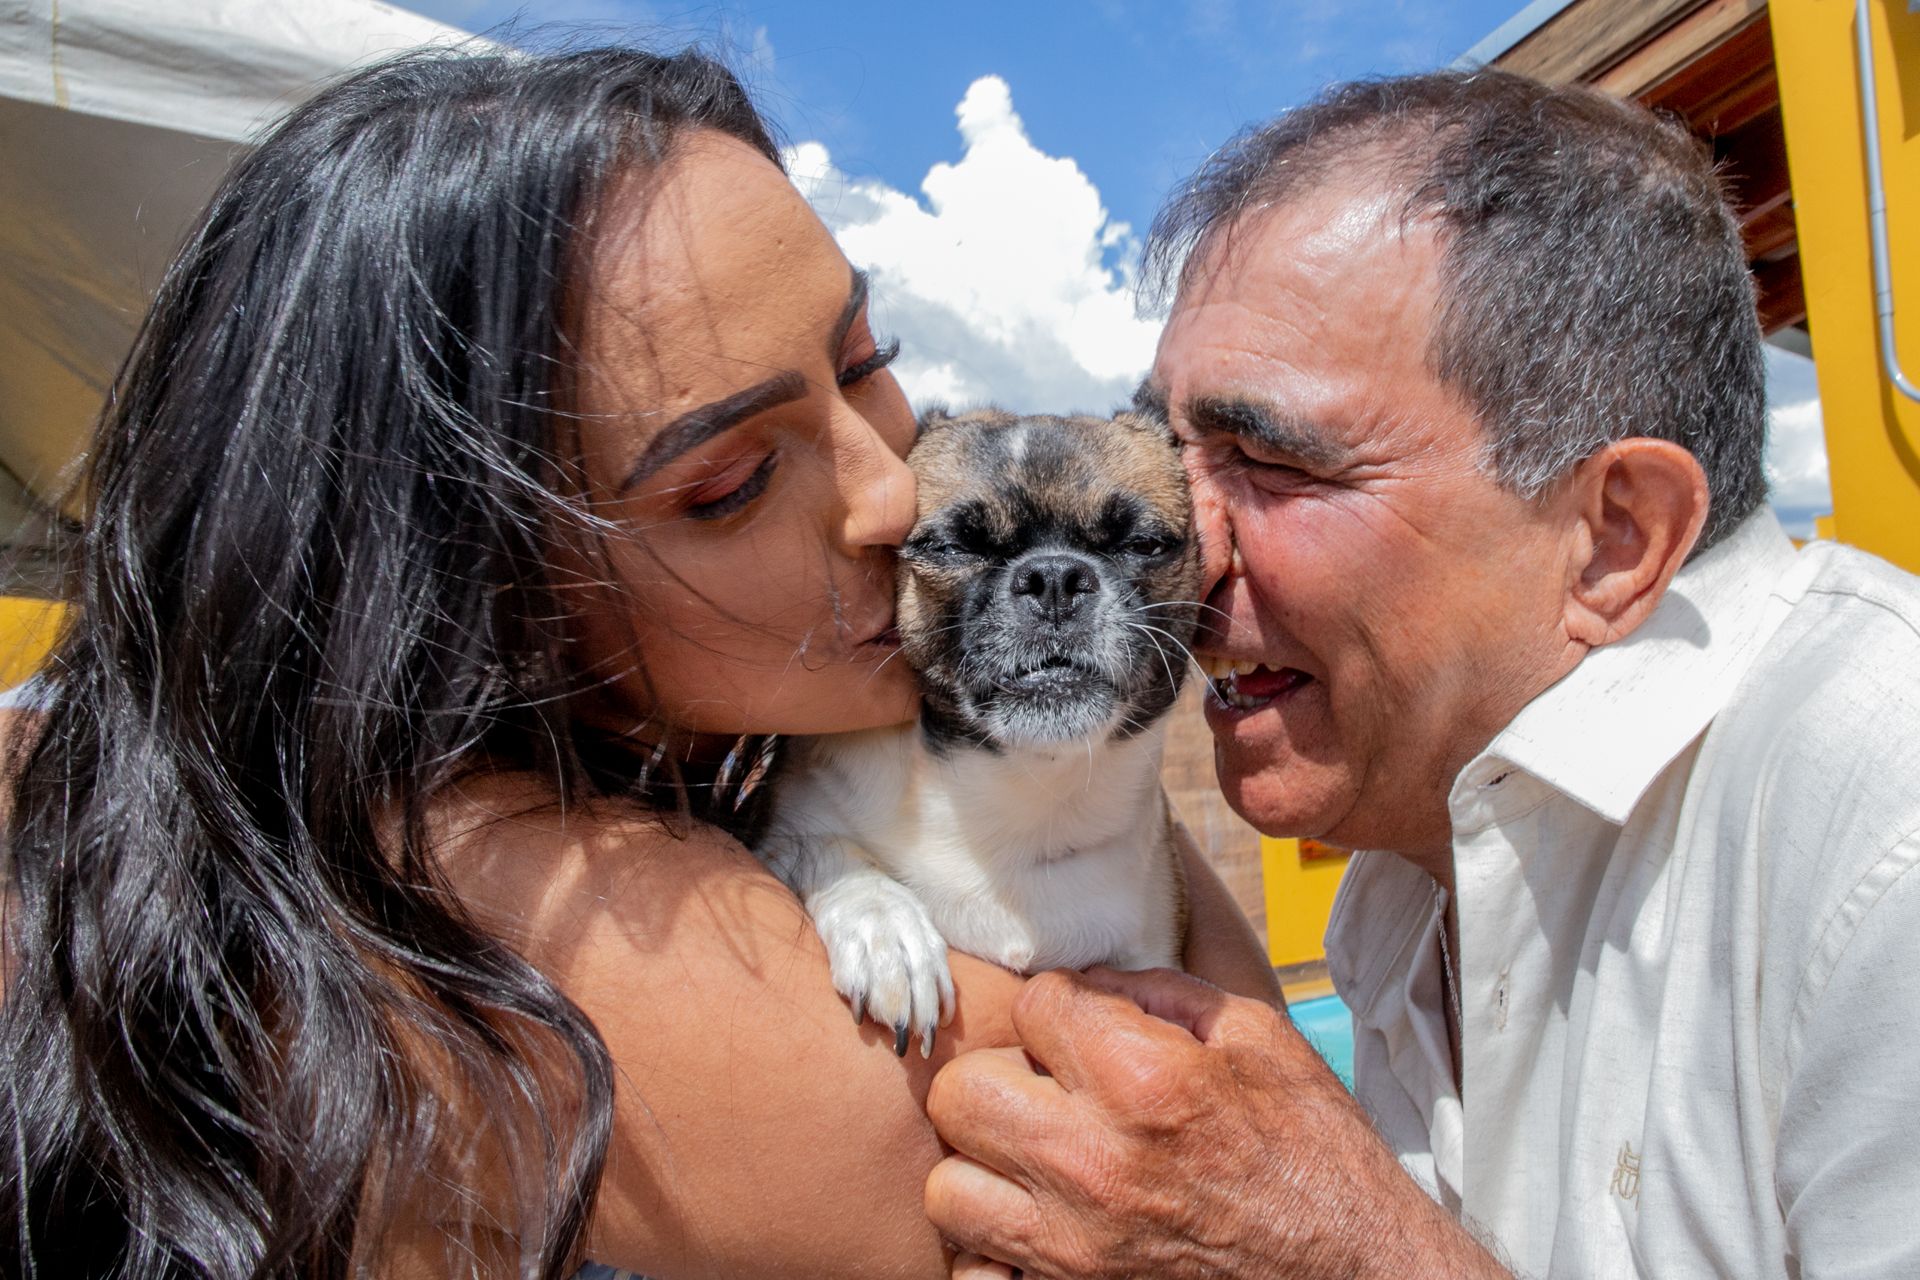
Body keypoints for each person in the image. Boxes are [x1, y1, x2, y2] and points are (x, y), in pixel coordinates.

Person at [0, 46, 1280, 1278]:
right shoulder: (449, 894)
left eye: (862, 363)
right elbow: (1230, 1122)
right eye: (727, 484)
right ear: (485, 587)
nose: (894, 493)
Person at [927, 69, 1920, 1278]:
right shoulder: (1404, 881)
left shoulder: (1883, 820)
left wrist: (1343, 1254)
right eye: (1176, 457)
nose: (1186, 543)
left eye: (1268, 458)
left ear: (1612, 537)